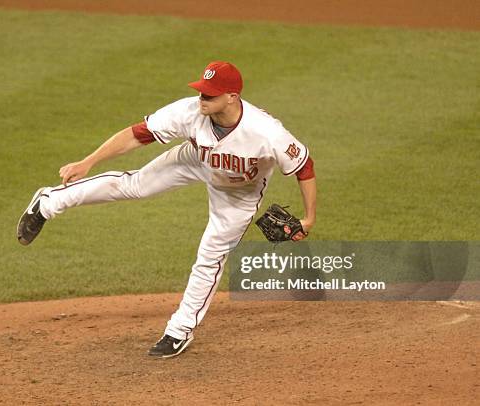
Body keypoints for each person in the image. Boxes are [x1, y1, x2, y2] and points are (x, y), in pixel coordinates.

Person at [17, 61, 317, 358]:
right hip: (196, 160)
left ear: (232, 97)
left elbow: (304, 167)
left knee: (211, 254)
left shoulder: (266, 132)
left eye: (210, 95)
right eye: (202, 92)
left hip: (239, 192)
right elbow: (138, 134)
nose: (202, 99)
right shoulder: (189, 111)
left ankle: (180, 330)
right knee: (134, 185)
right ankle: (48, 202)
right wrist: (89, 161)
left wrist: (309, 218)